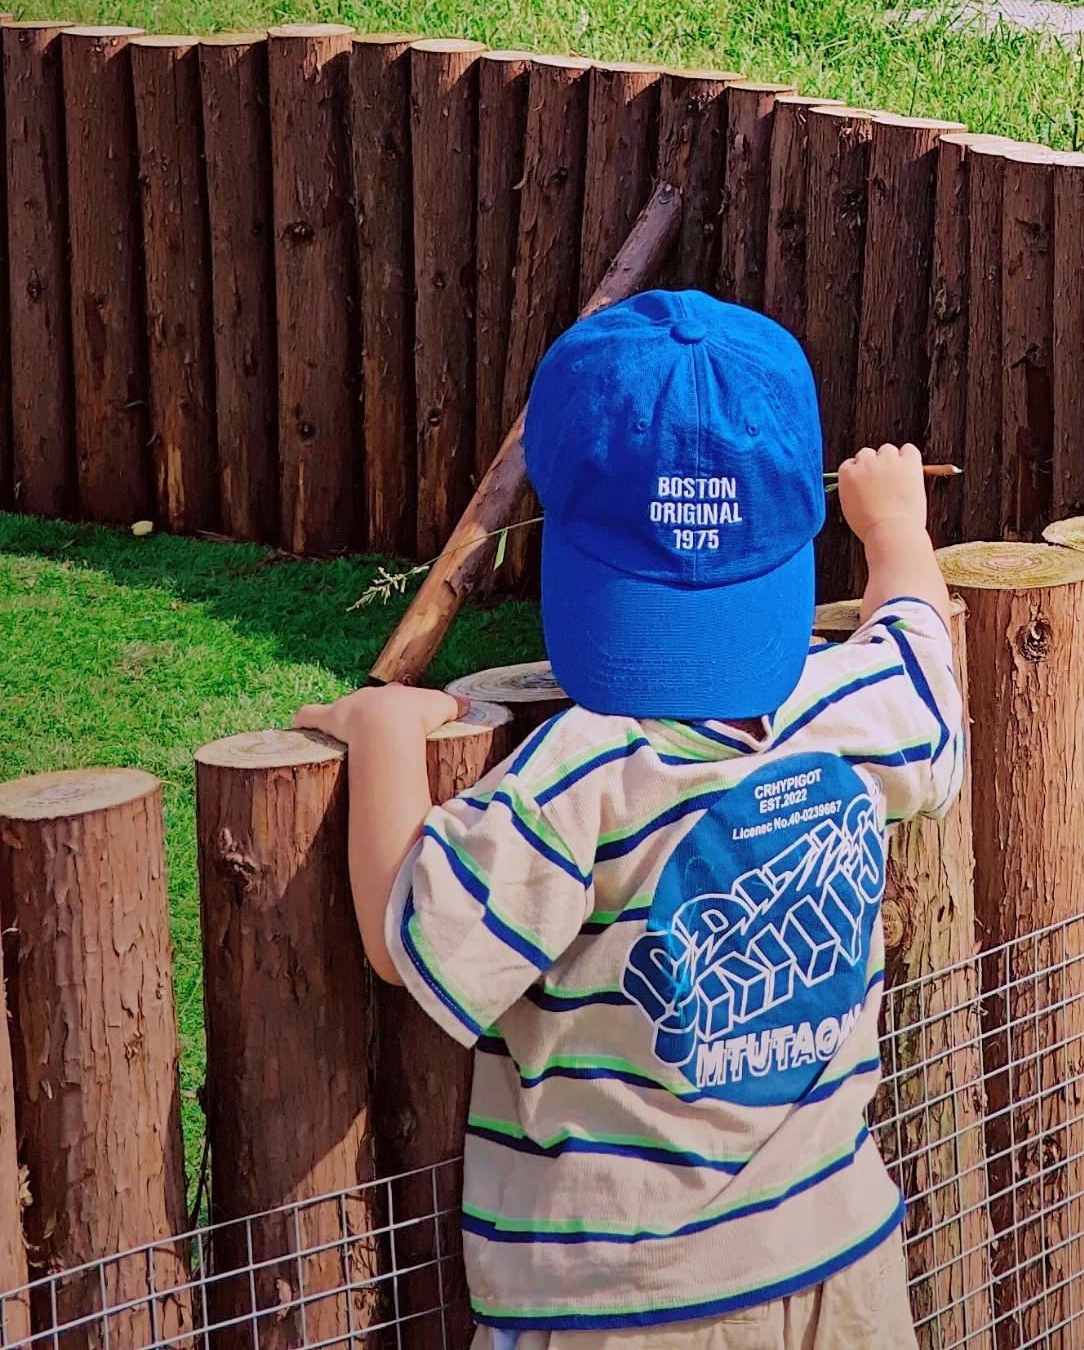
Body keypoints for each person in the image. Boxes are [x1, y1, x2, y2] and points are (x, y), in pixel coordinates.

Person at [297, 289, 962, 1348]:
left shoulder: (584, 768)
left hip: (621, 1304)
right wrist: (895, 533)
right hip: (842, 1265)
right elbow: (926, 667)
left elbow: (407, 929)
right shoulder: (851, 706)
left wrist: (381, 730)